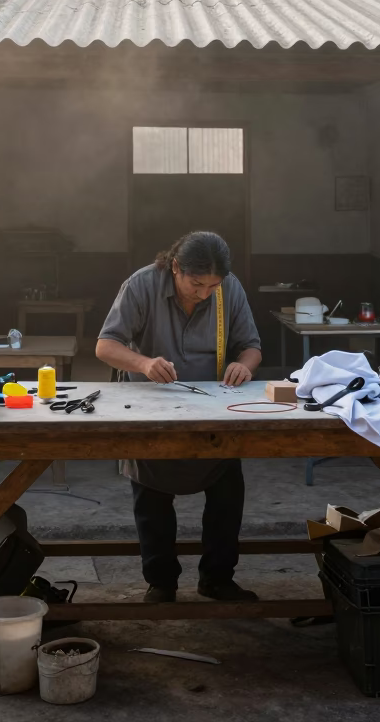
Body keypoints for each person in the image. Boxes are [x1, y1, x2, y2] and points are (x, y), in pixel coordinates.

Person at [96, 231, 262, 603]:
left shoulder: (229, 289)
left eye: (212, 285)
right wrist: (143, 363)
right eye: (196, 283)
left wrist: (243, 366)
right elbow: (105, 345)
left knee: (227, 492)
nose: (204, 293)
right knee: (151, 498)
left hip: (212, 410)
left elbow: (251, 346)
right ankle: (161, 582)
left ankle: (217, 578)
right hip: (149, 407)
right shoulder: (141, 285)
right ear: (175, 267)